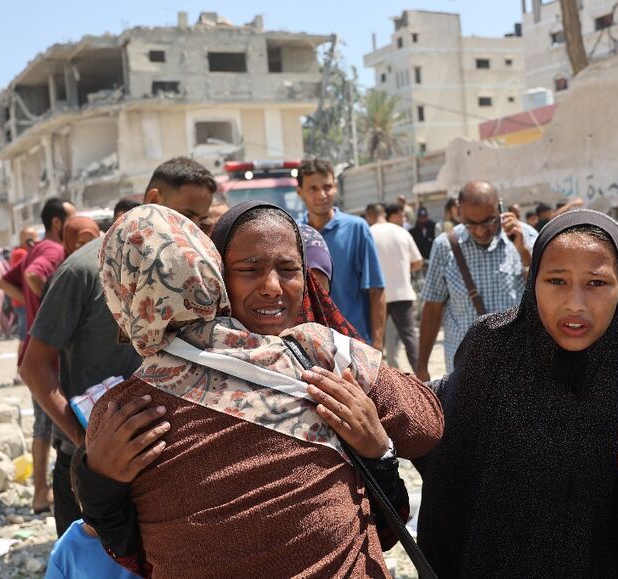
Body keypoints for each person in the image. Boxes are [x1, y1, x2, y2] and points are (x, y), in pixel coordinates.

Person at [79, 203, 442, 576]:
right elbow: (427, 425)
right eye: (248, 270)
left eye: (288, 270)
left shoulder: (118, 411)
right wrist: (379, 449)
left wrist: (95, 480)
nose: (271, 288)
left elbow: (131, 551)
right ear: (214, 273)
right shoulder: (324, 351)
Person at [416, 208, 618, 577]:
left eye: (596, 283)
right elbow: (444, 450)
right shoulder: (495, 346)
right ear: (533, 282)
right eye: (556, 281)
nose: (575, 304)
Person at [19, 158, 215, 536]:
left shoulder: (195, 273)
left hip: (162, 463)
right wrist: (89, 448)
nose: (193, 229)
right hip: (90, 468)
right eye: (187, 214)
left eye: (201, 221)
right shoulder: (83, 270)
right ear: (154, 199)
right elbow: (34, 367)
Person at [0, 197, 76, 514]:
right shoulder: (54, 251)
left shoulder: (39, 247)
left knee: (44, 424)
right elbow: (32, 275)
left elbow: (6, 282)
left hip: (33, 347)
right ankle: (42, 493)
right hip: (45, 355)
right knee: (51, 425)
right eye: (71, 219)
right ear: (57, 223)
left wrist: (34, 309)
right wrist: (51, 307)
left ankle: (41, 492)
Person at [417, 181, 532, 379]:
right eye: (471, 223)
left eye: (488, 221)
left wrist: (524, 253)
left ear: (500, 208)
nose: (480, 231)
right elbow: (433, 307)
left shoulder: (527, 237)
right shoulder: (445, 246)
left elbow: (546, 294)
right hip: (465, 369)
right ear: (458, 212)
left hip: (517, 363)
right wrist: (422, 365)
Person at [298, 158, 386, 348]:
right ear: (300, 192)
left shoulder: (357, 228)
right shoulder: (294, 231)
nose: (322, 195)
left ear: (336, 187)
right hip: (310, 343)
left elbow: (376, 290)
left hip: (354, 342)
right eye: (313, 188)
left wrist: (377, 344)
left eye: (327, 186)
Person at [44, 448, 142, 579]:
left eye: (111, 504)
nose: (102, 515)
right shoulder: (67, 549)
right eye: (94, 503)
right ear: (74, 492)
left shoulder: (149, 534)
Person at [371, 204, 422, 373]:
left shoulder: (368, 233)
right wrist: (402, 270)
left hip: (378, 295)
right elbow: (418, 262)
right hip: (403, 293)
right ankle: (422, 373)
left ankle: (380, 379)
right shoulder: (401, 232)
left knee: (378, 340)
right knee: (410, 337)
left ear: (370, 216)